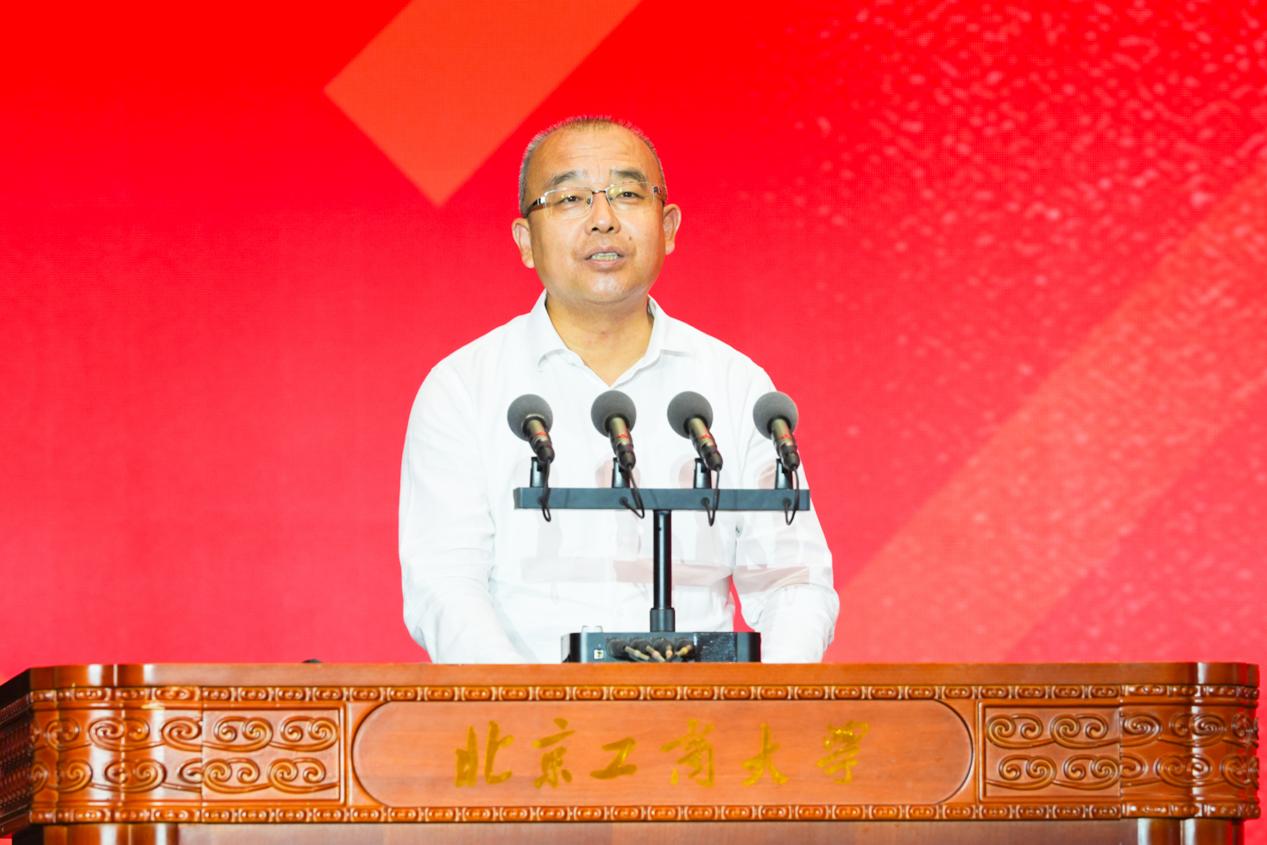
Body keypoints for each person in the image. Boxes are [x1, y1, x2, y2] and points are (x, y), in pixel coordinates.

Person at [399, 117, 838, 663]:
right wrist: (527, 707)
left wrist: (765, 703)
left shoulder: (733, 384)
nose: (603, 220)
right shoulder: (465, 388)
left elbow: (794, 581)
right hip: (529, 710)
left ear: (668, 227)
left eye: (628, 194)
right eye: (570, 199)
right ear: (525, 241)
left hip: (705, 712)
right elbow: (445, 583)